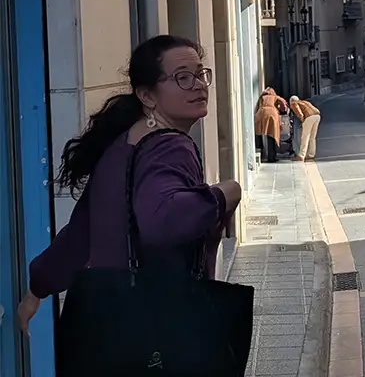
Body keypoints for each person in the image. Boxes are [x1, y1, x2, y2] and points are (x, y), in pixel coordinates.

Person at [17, 35, 242, 336]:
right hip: (155, 332)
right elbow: (163, 220)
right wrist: (224, 195)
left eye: (201, 75)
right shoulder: (170, 146)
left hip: (106, 329)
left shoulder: (125, 143)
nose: (199, 85)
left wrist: (37, 287)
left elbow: (82, 235)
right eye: (182, 78)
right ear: (147, 96)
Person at [255, 87, 287, 163]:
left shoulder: (262, 97)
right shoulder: (275, 97)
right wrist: (282, 110)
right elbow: (283, 102)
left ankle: (261, 153)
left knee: (259, 134)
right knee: (271, 135)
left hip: (261, 113)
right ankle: (271, 157)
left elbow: (257, 107)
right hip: (271, 114)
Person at [290, 96, 321, 162]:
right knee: (312, 137)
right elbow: (316, 110)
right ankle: (311, 154)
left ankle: (301, 156)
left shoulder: (294, 103)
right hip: (317, 116)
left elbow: (299, 113)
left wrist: (302, 120)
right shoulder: (305, 102)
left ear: (291, 101)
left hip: (309, 117)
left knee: (305, 137)